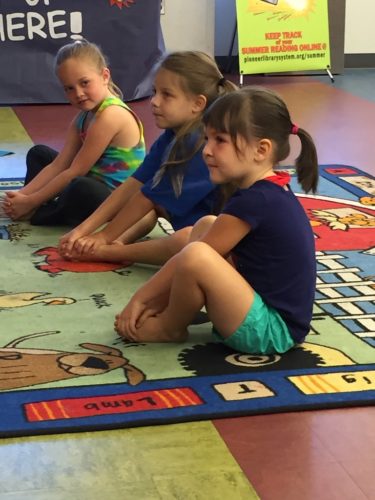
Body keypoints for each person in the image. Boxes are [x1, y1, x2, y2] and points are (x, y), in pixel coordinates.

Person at [114, 86, 319, 355]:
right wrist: (155, 297)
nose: (207, 151)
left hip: (271, 331)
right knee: (205, 226)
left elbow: (191, 258)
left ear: (261, 150)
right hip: (265, 312)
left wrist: (141, 297)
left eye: (219, 140)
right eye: (207, 139)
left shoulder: (254, 201)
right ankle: (162, 309)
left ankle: (170, 327)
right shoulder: (266, 191)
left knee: (197, 254)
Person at [58, 51, 237, 266]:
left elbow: (148, 197)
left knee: (186, 242)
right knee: (155, 210)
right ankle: (118, 243)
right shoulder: (174, 134)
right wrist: (84, 230)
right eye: (155, 92)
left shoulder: (196, 141)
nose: (154, 101)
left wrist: (101, 238)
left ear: (197, 104)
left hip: (229, 245)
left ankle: (108, 253)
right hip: (206, 224)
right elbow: (135, 183)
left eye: (166, 95)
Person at [2, 39, 145, 226]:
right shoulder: (84, 116)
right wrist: (22, 195)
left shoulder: (111, 115)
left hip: (112, 201)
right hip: (91, 181)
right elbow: (59, 164)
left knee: (80, 186)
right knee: (40, 154)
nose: (78, 93)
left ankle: (43, 212)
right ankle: (32, 206)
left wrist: (31, 201)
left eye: (85, 83)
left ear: (104, 76)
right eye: (69, 88)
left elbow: (75, 171)